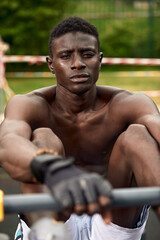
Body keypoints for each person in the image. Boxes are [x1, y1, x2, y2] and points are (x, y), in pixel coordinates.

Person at [0, 17, 160, 240]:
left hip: (113, 213)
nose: (78, 64)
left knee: (138, 135)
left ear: (99, 59)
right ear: (51, 64)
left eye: (87, 54)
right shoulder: (29, 105)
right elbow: (7, 145)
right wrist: (54, 169)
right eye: (66, 56)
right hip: (54, 217)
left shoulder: (129, 103)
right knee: (43, 138)